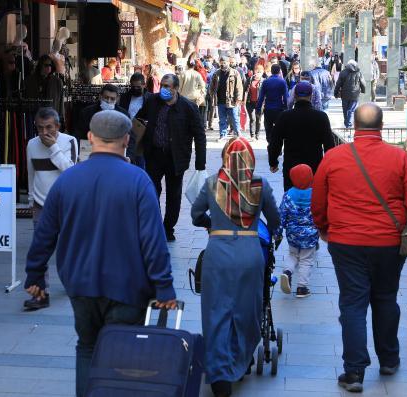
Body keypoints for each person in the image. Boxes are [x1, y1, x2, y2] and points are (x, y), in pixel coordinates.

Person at [24, 110, 177, 397]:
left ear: (91, 138)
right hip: (128, 287)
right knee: (123, 355)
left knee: (87, 347)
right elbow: (153, 241)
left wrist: (35, 274)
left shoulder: (68, 180)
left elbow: (45, 233)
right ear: (126, 139)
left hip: (80, 284)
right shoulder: (138, 181)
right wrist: (164, 286)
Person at [311, 103, 407, 393]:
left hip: (346, 243)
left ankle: (354, 372)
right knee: (385, 298)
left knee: (353, 304)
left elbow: (318, 200)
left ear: (354, 126)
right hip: (388, 244)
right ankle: (389, 359)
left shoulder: (333, 158)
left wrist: (323, 227)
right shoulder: (400, 159)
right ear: (381, 127)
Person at [191, 137, 280, 397]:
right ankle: (241, 361)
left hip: (218, 253)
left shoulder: (211, 184)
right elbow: (274, 220)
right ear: (250, 159)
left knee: (216, 311)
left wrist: (212, 223)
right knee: (246, 309)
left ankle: (219, 373)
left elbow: (196, 215)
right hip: (250, 253)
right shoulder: (260, 186)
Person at [136, 74, 206, 241]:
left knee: (173, 195)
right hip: (154, 154)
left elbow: (199, 135)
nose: (164, 89)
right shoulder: (152, 101)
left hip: (176, 157)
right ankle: (156, 225)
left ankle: (168, 228)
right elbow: (138, 119)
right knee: (152, 191)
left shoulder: (188, 107)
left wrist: (200, 163)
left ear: (175, 88)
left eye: (167, 86)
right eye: (162, 85)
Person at [24, 107, 77, 310]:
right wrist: (30, 201)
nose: (45, 133)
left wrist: (54, 148)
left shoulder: (68, 141)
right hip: (40, 204)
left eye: (49, 128)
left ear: (57, 126)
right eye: (40, 128)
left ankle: (71, 281)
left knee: (67, 249)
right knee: (39, 252)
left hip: (64, 204)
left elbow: (71, 170)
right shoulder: (31, 144)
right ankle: (39, 295)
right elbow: (31, 173)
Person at [269, 81, 334, 190]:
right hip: (315, 166)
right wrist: (330, 167)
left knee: (291, 198)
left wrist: (273, 161)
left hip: (291, 166)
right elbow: (329, 145)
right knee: (314, 200)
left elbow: (275, 142)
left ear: (294, 95)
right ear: (311, 95)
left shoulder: (285, 116)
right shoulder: (321, 117)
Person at [276, 164, 319, 298]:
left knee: (293, 255)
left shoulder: (288, 195)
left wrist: (278, 233)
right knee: (306, 259)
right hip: (311, 234)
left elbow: (281, 214)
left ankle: (287, 272)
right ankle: (302, 288)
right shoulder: (316, 194)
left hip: (293, 234)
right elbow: (321, 212)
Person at [75, 84, 138, 164]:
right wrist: (77, 153)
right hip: (91, 157)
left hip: (116, 158)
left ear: (117, 99)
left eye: (112, 98)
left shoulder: (124, 115)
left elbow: (131, 138)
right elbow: (78, 134)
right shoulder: (87, 113)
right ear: (100, 96)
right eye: (106, 97)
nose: (108, 101)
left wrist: (129, 156)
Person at [211, 57, 243, 140]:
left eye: (224, 62)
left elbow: (239, 87)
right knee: (222, 119)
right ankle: (222, 134)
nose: (223, 64)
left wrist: (238, 99)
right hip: (220, 100)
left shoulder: (235, 73)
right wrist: (212, 96)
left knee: (234, 118)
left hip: (231, 101)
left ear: (228, 62)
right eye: (221, 62)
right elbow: (212, 87)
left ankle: (238, 134)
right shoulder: (216, 73)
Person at [255, 64, 288, 144]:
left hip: (268, 109)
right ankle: (278, 146)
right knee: (279, 128)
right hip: (279, 109)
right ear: (279, 71)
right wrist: (286, 107)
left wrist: (258, 108)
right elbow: (286, 97)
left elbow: (261, 97)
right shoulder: (282, 82)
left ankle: (270, 143)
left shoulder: (266, 82)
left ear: (271, 71)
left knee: (268, 127)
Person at [334, 60, 366, 128]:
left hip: (345, 94)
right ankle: (348, 124)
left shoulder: (343, 72)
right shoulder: (358, 72)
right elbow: (363, 83)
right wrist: (363, 90)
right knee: (351, 110)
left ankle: (347, 123)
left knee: (345, 109)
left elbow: (338, 84)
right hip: (355, 94)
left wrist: (335, 93)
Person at [243, 65, 264, 140]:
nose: (258, 73)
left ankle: (257, 135)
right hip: (250, 102)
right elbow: (244, 89)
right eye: (257, 71)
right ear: (255, 71)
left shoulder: (264, 81)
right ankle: (252, 135)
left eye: (260, 72)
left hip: (260, 103)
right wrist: (242, 100)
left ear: (262, 72)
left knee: (258, 119)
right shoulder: (249, 79)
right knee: (252, 118)